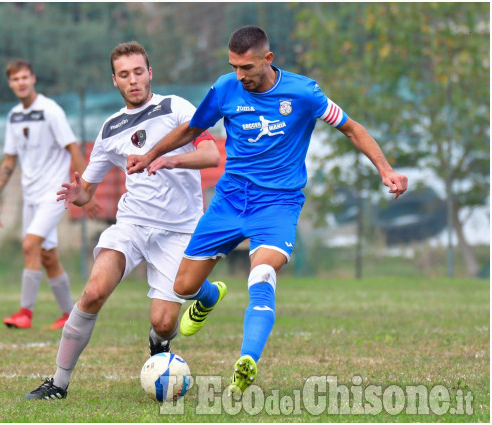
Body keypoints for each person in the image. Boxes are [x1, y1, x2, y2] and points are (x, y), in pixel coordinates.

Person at [126, 26, 409, 399]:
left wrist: (386, 170)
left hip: (277, 204)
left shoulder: (304, 93)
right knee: (183, 287)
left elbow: (351, 128)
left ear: (268, 59)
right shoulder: (225, 88)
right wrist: (151, 155)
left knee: (261, 272)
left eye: (247, 67)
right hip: (229, 201)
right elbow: (193, 128)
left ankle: (247, 360)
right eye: (234, 66)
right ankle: (209, 297)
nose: (240, 75)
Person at [24, 41, 220, 400]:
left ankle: (162, 340)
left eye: (138, 72)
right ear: (114, 80)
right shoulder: (110, 129)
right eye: (124, 75)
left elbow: (210, 154)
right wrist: (77, 194)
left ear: (150, 73)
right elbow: (87, 189)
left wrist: (169, 159)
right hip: (131, 225)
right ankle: (58, 383)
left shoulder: (175, 107)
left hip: (180, 229)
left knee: (163, 323)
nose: (133, 80)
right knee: (94, 292)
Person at [0, 59, 99, 330]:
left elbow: (73, 148)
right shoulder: (13, 115)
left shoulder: (51, 111)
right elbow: (9, 159)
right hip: (30, 196)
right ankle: (68, 315)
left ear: (33, 79)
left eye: (25, 77)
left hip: (54, 193)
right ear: (9, 84)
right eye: (16, 79)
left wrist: (86, 189)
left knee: (29, 245)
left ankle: (24, 313)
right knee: (48, 256)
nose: (21, 83)